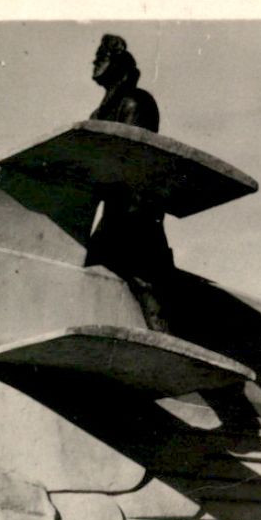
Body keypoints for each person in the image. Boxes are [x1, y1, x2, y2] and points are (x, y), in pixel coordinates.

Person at [84, 34, 172, 331]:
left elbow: (133, 161)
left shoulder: (136, 102)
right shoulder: (100, 113)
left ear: (118, 62)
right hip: (112, 215)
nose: (95, 62)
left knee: (147, 287)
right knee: (90, 278)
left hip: (135, 216)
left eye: (102, 56)